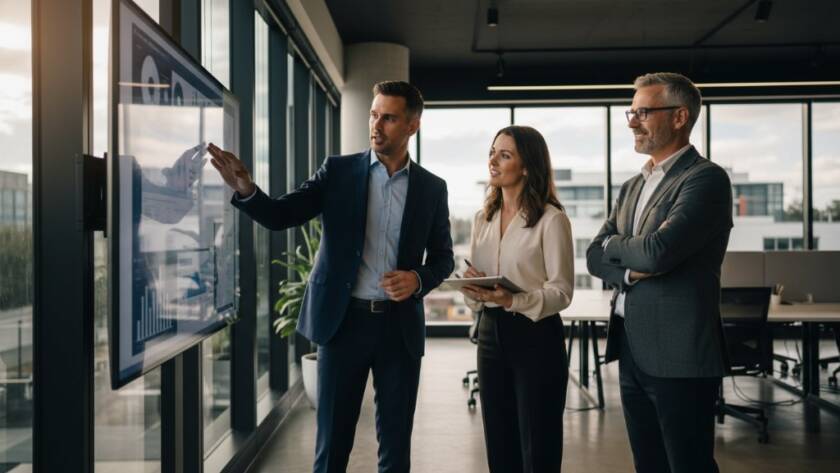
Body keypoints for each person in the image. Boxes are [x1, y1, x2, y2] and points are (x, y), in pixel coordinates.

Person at [207, 81, 454, 473]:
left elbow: (443, 258)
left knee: (395, 448)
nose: (376, 125)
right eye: (374, 115)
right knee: (332, 448)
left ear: (412, 126)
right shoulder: (338, 172)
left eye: (388, 118)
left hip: (398, 329)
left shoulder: (431, 189)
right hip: (343, 324)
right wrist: (248, 190)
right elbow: (281, 215)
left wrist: (417, 279)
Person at [586, 72, 733, 473]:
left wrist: (618, 247)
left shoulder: (705, 179)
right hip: (633, 347)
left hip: (680, 351)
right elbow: (592, 256)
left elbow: (657, 252)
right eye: (631, 112)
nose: (632, 121)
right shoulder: (634, 185)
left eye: (644, 112)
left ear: (680, 116)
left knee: (688, 464)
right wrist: (630, 270)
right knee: (648, 463)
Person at [459, 125, 574, 473]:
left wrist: (513, 301)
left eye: (504, 154)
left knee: (538, 443)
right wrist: (473, 290)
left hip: (536, 336)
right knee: (499, 438)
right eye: (493, 152)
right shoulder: (484, 218)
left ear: (526, 167)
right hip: (490, 334)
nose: (493, 160)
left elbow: (562, 292)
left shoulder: (551, 220)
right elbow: (479, 295)